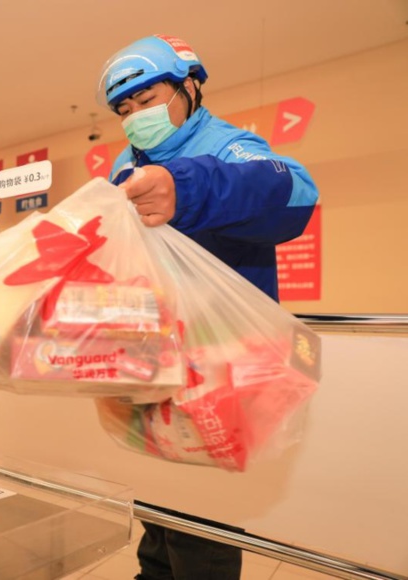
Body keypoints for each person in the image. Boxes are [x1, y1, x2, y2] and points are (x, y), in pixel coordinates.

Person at [98, 35, 318, 579]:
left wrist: (185, 189)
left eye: (147, 99)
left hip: (220, 370)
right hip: (151, 367)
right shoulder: (126, 164)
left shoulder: (228, 147)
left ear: (190, 87)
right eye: (124, 109)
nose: (135, 117)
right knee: (157, 511)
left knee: (202, 528)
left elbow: (295, 194)